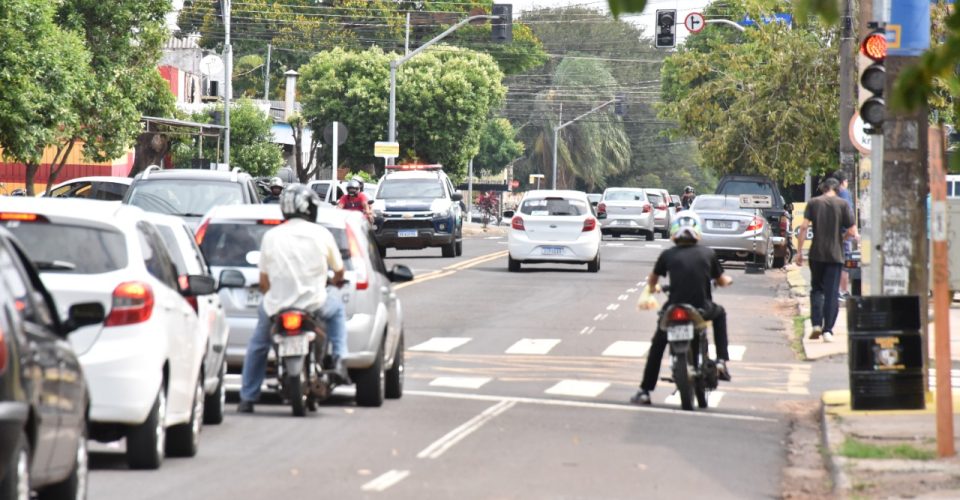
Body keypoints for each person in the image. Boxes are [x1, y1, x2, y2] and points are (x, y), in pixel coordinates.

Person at [237, 185, 349, 413]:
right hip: (314, 303)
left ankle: (248, 398)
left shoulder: (271, 236)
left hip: (276, 306)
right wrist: (336, 280)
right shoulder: (321, 234)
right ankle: (339, 360)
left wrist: (273, 293)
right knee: (337, 310)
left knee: (258, 346)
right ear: (310, 208)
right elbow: (339, 271)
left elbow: (264, 280)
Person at [630, 211, 734, 406]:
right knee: (720, 314)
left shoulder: (667, 255)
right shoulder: (708, 253)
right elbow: (720, 279)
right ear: (697, 231)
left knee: (657, 346)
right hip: (701, 309)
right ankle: (721, 360)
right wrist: (727, 281)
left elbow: (653, 280)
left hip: (673, 309)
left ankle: (645, 391)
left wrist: (652, 289)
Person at [796, 178, 859, 343]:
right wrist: (842, 237)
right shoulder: (843, 204)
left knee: (817, 289)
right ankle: (828, 331)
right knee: (832, 293)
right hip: (835, 255)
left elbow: (803, 227)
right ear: (837, 189)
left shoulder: (813, 203)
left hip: (816, 254)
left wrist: (798, 252)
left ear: (823, 189)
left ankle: (816, 323)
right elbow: (852, 231)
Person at [830, 170, 855, 301]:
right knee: (845, 263)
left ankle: (837, 290)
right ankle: (843, 291)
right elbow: (848, 213)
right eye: (846, 181)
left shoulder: (833, 194)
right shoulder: (844, 193)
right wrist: (852, 232)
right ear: (842, 182)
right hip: (844, 233)